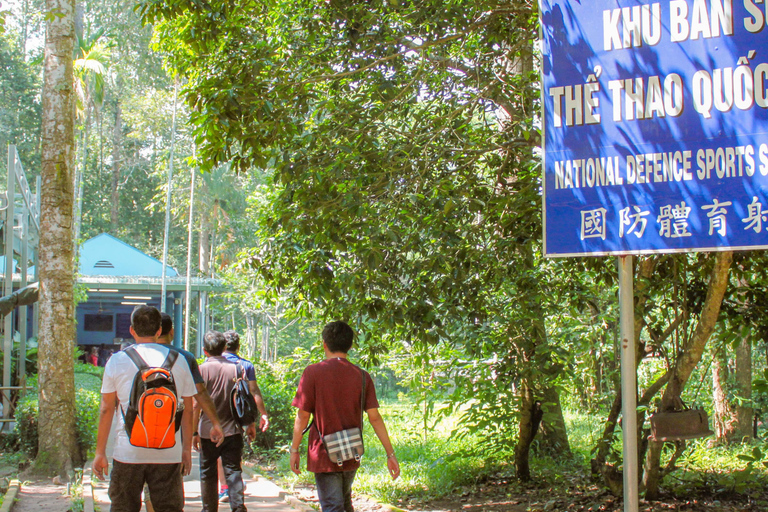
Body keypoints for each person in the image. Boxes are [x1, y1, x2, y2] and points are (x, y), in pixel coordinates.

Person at [92, 305, 223, 512]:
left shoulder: (117, 361)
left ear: (132, 330)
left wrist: (100, 452)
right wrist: (185, 451)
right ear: (159, 330)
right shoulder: (179, 360)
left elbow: (106, 409)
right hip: (168, 452)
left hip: (127, 453)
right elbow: (188, 410)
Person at [289, 321, 400, 512]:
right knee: (344, 503)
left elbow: (302, 415)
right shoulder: (362, 376)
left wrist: (294, 449)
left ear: (324, 344)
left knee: (333, 506)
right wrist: (390, 454)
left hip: (323, 453)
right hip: (351, 450)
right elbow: (375, 417)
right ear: (350, 346)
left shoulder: (312, 372)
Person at [144, 313, 226, 512]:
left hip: (141, 429)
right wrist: (215, 422)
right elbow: (200, 393)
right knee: (171, 484)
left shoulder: (138, 355)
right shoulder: (185, 357)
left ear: (155, 331)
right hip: (174, 432)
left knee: (149, 486)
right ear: (171, 331)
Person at [193, 331, 257, 512]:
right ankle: (238, 508)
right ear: (223, 348)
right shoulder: (237, 368)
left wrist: (194, 433)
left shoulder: (201, 370)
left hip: (207, 431)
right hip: (233, 430)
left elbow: (196, 405)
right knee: (234, 471)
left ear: (204, 351)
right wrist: (250, 424)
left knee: (207, 473)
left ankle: (209, 509)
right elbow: (245, 399)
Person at [218, 330, 269, 502]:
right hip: (238, 414)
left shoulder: (214, 363)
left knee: (219, 451)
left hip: (217, 413)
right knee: (235, 450)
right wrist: (262, 415)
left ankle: (224, 488)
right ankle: (235, 484)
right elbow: (254, 391)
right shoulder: (246, 365)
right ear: (238, 346)